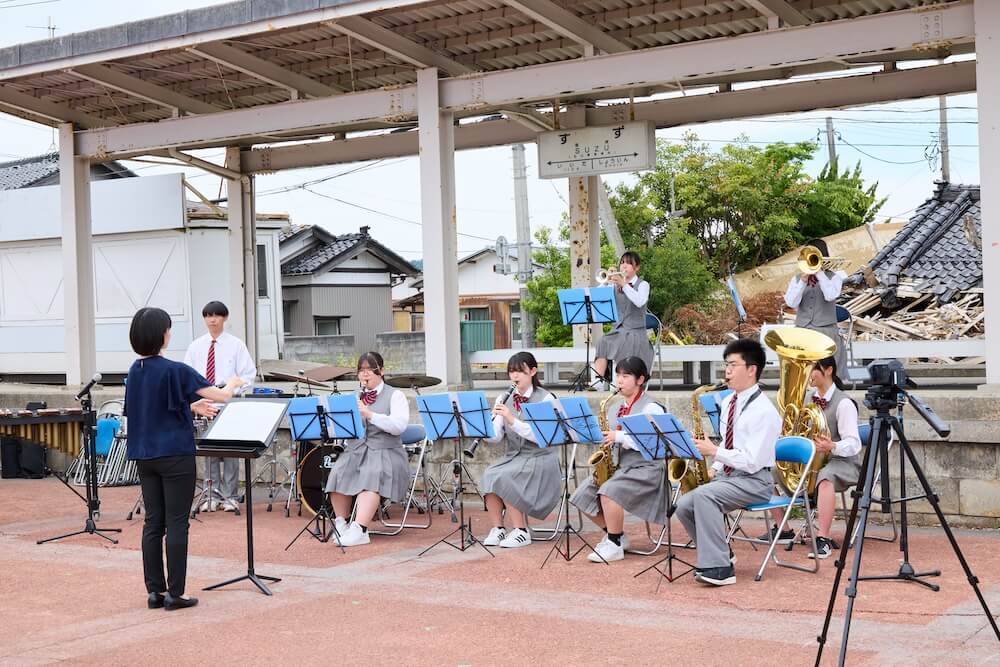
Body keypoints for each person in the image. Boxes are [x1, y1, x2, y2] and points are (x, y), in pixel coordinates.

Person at [125, 306, 245, 610]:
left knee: (153, 523)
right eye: (168, 329)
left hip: (145, 455)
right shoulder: (175, 369)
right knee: (177, 522)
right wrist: (233, 383)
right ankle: (175, 593)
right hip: (175, 455)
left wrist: (190, 406)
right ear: (162, 335)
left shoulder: (134, 372)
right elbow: (221, 396)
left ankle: (155, 592)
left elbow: (151, 406)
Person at [674, 339, 781, 586]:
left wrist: (714, 451)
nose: (727, 371)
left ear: (751, 369)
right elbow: (729, 442)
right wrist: (715, 468)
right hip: (729, 477)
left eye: (733, 365)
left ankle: (720, 568)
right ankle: (722, 552)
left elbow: (752, 461)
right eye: (726, 365)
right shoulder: (729, 401)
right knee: (683, 505)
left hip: (755, 481)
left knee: (704, 497)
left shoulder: (764, 412)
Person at [570, 357, 667, 563]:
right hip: (621, 467)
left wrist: (619, 436)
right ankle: (618, 536)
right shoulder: (614, 408)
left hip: (647, 468)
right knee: (581, 494)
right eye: (617, 375)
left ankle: (614, 545)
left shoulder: (652, 408)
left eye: (626, 376)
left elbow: (653, 443)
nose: (619, 381)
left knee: (608, 491)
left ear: (640, 379)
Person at [763, 356, 861, 559]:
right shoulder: (806, 398)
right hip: (809, 462)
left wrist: (832, 446)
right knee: (766, 472)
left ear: (828, 370)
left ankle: (823, 537)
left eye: (813, 369)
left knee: (825, 477)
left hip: (841, 462)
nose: (808, 374)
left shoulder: (844, 403)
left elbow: (854, 444)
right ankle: (783, 528)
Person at [325, 351, 410, 547]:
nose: (365, 374)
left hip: (386, 450)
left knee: (371, 475)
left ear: (381, 371)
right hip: (358, 450)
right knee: (338, 473)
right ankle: (341, 524)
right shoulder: (354, 397)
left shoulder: (395, 395)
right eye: (361, 370)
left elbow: (399, 426)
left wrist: (370, 414)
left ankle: (360, 529)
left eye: (370, 369)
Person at [479, 352, 561, 548]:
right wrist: (482, 430)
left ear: (532, 371)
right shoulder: (503, 397)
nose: (515, 376)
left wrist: (511, 419)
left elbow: (541, 436)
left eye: (520, 371)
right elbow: (496, 437)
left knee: (507, 476)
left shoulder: (546, 398)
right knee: (489, 474)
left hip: (541, 456)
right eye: (511, 372)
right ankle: (498, 528)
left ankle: (521, 531)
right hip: (515, 456)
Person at [183, 301, 256, 512]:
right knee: (209, 453)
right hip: (204, 404)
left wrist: (232, 388)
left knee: (231, 452)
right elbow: (185, 375)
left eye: (216, 315)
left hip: (229, 405)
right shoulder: (196, 346)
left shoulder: (236, 345)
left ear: (225, 318)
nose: (212, 320)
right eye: (208, 316)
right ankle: (212, 495)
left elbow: (248, 375)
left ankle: (230, 496)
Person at [784, 238, 849, 381]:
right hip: (803, 330)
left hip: (826, 331)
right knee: (801, 375)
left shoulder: (834, 277)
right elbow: (791, 302)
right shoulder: (797, 279)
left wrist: (819, 273)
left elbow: (830, 295)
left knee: (828, 375)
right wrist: (803, 281)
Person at [593, 251, 654, 385]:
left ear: (637, 267)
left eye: (628, 263)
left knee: (626, 343)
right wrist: (606, 281)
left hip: (636, 332)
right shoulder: (614, 285)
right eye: (622, 263)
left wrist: (624, 285)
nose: (624, 266)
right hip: (618, 330)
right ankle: (598, 381)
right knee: (602, 341)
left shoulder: (643, 284)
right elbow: (596, 295)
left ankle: (622, 382)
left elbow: (640, 301)